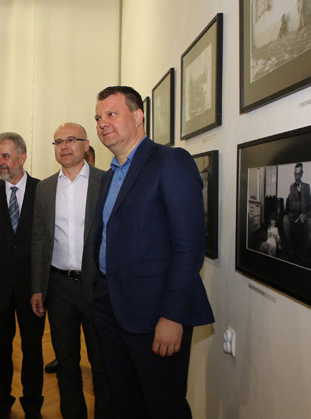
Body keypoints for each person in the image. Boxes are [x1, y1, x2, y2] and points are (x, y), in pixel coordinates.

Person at [92, 86, 214, 419]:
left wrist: (173, 316)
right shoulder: (109, 177)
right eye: (98, 118)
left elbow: (189, 248)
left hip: (155, 313)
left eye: (111, 114)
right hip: (110, 306)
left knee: (163, 406)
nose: (102, 123)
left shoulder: (170, 162)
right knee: (124, 402)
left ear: (138, 116)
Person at [31, 123, 110, 419]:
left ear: (86, 145)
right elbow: (39, 240)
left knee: (102, 365)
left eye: (71, 140)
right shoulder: (45, 188)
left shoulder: (106, 181)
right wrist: (37, 287)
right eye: (58, 142)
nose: (64, 146)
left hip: (98, 286)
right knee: (66, 362)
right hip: (59, 287)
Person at [0, 132, 44, 419]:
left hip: (33, 289)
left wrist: (43, 286)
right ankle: (1, 405)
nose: (0, 162)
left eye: (5, 156)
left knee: (33, 351)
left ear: (22, 157)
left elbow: (48, 242)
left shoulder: (43, 191)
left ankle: (33, 406)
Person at [282, 162, 311, 263]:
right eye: (295, 174)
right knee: (285, 219)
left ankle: (304, 254)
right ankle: (290, 249)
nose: (296, 177)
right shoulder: (292, 187)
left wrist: (305, 215)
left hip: (304, 222)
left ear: (302, 174)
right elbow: (291, 205)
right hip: (293, 220)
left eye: (298, 174)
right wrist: (302, 206)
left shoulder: (307, 187)